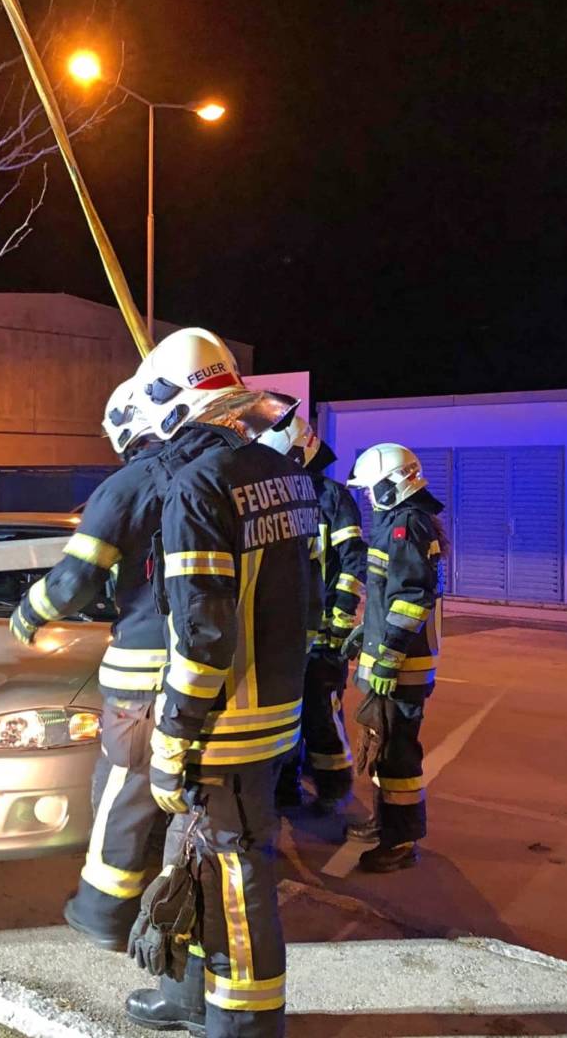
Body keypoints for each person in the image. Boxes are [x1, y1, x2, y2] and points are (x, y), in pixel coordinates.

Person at [125, 328, 322, 1038]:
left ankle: (244, 1025)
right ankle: (187, 995)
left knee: (236, 877)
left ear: (171, 406)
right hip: (274, 709)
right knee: (196, 858)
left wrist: (173, 736)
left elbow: (202, 634)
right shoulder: (286, 474)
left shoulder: (198, 485)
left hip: (223, 724)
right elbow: (307, 598)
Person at [10, 375, 189, 950]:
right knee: (185, 797)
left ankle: (103, 914)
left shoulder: (127, 486)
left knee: (122, 789)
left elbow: (74, 582)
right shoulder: (213, 478)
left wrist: (29, 612)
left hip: (141, 675)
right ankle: (171, 911)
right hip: (208, 671)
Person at [342, 443, 445, 873]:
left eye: (371, 489)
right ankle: (387, 823)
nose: (368, 496)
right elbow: (390, 596)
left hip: (402, 667)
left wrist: (387, 658)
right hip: (397, 658)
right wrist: (366, 632)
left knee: (397, 753)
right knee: (385, 747)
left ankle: (400, 841)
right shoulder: (403, 521)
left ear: (391, 486)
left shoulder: (405, 526)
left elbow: (410, 599)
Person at [260, 413, 366, 813]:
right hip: (286, 635)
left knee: (322, 712)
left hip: (323, 634)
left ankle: (334, 788)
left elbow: (353, 562)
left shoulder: (332, 498)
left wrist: (340, 621)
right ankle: (286, 787)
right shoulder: (278, 499)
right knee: (285, 714)